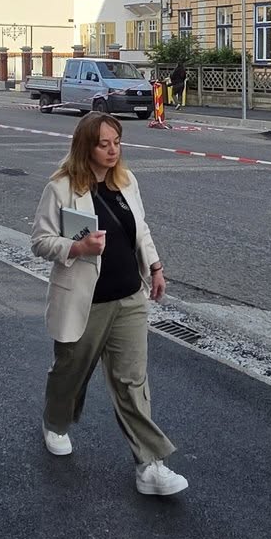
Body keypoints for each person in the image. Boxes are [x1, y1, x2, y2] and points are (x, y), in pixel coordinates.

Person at [31, 111, 187, 496]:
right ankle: (56, 422)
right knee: (71, 373)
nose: (113, 150)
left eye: (117, 142)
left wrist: (155, 266)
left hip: (129, 299)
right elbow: (39, 241)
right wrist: (77, 247)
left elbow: (141, 228)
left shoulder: (126, 181)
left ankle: (150, 465)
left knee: (132, 383)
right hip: (85, 303)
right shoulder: (61, 188)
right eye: (104, 144)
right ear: (86, 146)